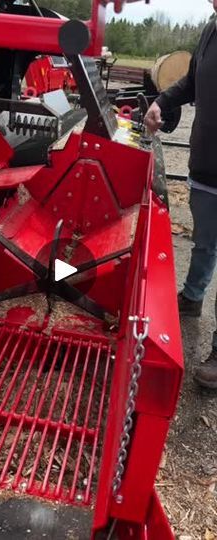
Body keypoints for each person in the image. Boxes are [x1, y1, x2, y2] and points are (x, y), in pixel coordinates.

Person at [144, 0, 217, 389]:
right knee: (205, 242)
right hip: (206, 165)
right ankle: (193, 296)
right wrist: (160, 101)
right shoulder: (210, 29)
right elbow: (191, 82)